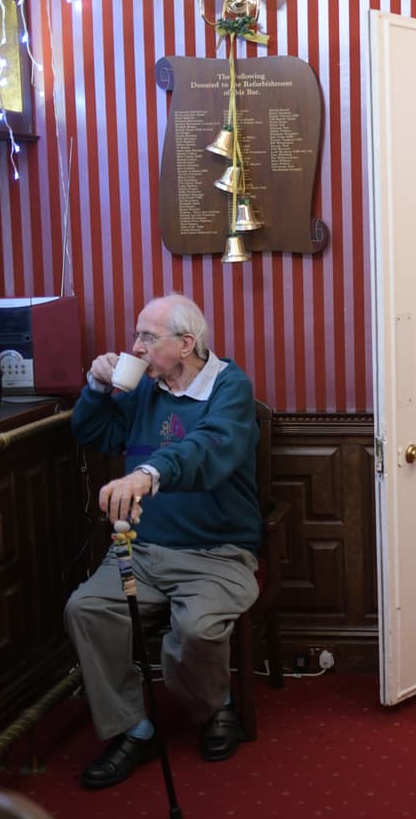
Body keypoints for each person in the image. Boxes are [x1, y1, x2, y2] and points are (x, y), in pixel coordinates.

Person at [64, 293, 261, 789]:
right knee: (86, 609)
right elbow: (94, 434)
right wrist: (96, 388)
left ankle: (213, 705)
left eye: (147, 338)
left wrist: (149, 473)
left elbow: (207, 449)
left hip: (217, 552)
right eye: (137, 336)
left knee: (195, 631)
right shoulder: (146, 388)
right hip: (144, 549)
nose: (135, 347)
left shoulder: (229, 388)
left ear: (186, 344)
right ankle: (133, 727)